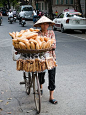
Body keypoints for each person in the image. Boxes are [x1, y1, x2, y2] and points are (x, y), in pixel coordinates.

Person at [34, 16, 57, 104]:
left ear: (48, 25)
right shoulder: (37, 34)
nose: (45, 25)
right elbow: (37, 46)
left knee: (52, 76)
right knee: (41, 74)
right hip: (41, 58)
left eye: (46, 24)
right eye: (43, 24)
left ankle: (51, 96)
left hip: (51, 57)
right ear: (40, 25)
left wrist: (43, 46)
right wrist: (46, 46)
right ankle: (40, 86)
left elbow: (53, 45)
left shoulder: (51, 33)